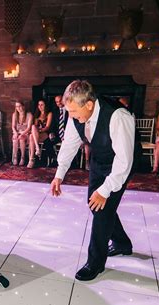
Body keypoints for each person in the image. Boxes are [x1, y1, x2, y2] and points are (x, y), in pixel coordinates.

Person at [50, 80, 135, 281]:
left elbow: (124, 161)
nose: (71, 117)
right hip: (99, 160)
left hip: (121, 164)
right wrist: (59, 175)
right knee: (95, 203)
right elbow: (69, 144)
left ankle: (95, 262)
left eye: (73, 112)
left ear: (89, 104)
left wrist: (105, 190)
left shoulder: (118, 116)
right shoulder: (77, 114)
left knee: (102, 208)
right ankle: (122, 243)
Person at [43, 95, 68, 167]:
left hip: (68, 134)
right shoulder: (55, 111)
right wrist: (51, 132)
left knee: (67, 146)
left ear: (64, 100)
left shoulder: (69, 110)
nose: (59, 103)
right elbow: (52, 125)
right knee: (47, 142)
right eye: (57, 102)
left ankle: (66, 162)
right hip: (58, 134)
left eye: (60, 101)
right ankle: (55, 159)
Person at [28, 99, 53, 168]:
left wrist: (39, 130)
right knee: (31, 135)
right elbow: (35, 126)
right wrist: (36, 131)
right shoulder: (37, 114)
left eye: (42, 105)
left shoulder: (49, 114)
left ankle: (32, 159)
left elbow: (47, 127)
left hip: (45, 133)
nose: (40, 106)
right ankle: (37, 149)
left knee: (31, 135)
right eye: (39, 105)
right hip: (37, 134)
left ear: (45, 105)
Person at [11, 100, 32, 166]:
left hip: (26, 133)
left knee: (21, 139)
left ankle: (23, 157)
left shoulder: (29, 115)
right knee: (15, 139)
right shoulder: (14, 115)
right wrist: (15, 132)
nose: (18, 108)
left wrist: (22, 134)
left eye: (19, 106)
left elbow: (29, 128)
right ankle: (15, 157)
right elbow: (13, 126)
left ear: (23, 106)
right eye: (17, 107)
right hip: (17, 132)